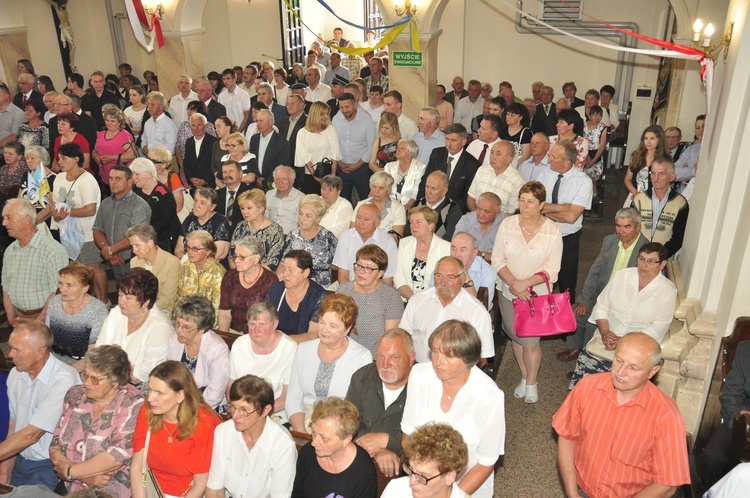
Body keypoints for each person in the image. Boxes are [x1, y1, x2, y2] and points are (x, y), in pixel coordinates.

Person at [552, 333, 691, 498]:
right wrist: (572, 493)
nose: (621, 372)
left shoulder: (667, 416)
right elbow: (567, 438)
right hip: (581, 490)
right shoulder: (587, 387)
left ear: (652, 371)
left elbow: (667, 484)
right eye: (619, 360)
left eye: (634, 367)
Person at [401, 320, 505, 498]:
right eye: (435, 351)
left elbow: (486, 461)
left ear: (468, 360)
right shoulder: (419, 376)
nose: (438, 362)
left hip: (466, 488)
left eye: (449, 356)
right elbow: (408, 435)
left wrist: (453, 495)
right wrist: (425, 479)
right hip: (422, 482)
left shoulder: (490, 396)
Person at [492, 181, 563, 404]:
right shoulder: (508, 224)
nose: (525, 205)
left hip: (535, 296)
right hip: (507, 290)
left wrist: (524, 285)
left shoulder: (552, 230)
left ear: (542, 204)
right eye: (522, 200)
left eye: (530, 202)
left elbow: (553, 269)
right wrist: (514, 284)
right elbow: (497, 259)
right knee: (516, 336)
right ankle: (524, 376)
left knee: (531, 342)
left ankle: (532, 383)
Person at [569, 242, 677, 387]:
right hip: (605, 340)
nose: (644, 265)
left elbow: (658, 328)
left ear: (662, 264)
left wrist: (624, 341)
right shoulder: (622, 276)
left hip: (636, 348)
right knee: (586, 389)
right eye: (641, 259)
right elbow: (601, 306)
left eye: (651, 261)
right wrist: (605, 332)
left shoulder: (667, 291)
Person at [49, 345, 143, 497]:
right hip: (69, 485)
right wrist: (77, 475)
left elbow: (116, 457)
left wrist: (69, 471)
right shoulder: (75, 394)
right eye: (85, 375)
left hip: (109, 490)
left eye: (95, 379)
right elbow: (55, 443)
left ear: (116, 382)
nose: (86, 383)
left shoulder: (133, 403)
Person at [0, 323, 79, 489]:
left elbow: (32, 435)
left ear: (40, 352)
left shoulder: (65, 380)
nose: (10, 354)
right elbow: (14, 423)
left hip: (49, 465)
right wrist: (7, 462)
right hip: (19, 457)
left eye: (17, 349)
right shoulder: (16, 374)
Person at [130, 361, 222, 498]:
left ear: (180, 396)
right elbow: (137, 468)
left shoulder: (204, 424)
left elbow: (200, 485)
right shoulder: (147, 412)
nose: (150, 398)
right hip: (151, 489)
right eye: (150, 389)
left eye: (159, 393)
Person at [286, 294, 373, 433]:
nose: (324, 329)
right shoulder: (303, 349)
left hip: (338, 426)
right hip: (302, 422)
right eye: (322, 322)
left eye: (332, 326)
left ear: (347, 329)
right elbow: (293, 398)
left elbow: (356, 407)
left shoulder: (361, 357)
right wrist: (300, 431)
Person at [206, 375, 297, 498]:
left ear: (265, 410)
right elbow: (215, 490)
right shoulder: (223, 432)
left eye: (244, 410)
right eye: (233, 407)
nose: (235, 416)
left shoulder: (282, 444)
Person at [346, 329, 415, 477]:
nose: (385, 364)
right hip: (360, 462)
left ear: (411, 358)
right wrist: (377, 449)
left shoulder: (425, 385)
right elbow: (347, 426)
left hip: (409, 472)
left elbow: (428, 440)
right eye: (380, 356)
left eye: (394, 357)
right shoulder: (362, 378)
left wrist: (389, 441)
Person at [399, 256, 494, 364]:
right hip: (416, 368)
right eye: (439, 276)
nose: (443, 282)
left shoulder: (478, 312)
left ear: (463, 279)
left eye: (450, 277)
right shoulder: (417, 301)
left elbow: (482, 359)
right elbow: (402, 338)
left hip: (456, 375)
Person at [538, 141, 593, 307]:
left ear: (567, 163)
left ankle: (566, 326)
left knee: (566, 284)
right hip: (542, 235)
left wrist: (544, 209)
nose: (549, 159)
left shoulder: (583, 182)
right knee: (540, 280)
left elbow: (571, 217)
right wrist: (565, 206)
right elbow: (534, 205)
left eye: (554, 156)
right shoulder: (544, 175)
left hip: (566, 239)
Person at [95, 269, 173, 385]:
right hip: (107, 379)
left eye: (128, 298)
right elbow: (99, 350)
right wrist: (128, 369)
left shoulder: (160, 327)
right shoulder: (116, 312)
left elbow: (147, 372)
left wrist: (114, 372)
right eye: (120, 295)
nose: (121, 301)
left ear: (146, 302)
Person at [2, 199, 68, 327]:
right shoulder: (10, 250)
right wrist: (11, 317)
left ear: (27, 219)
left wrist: (39, 320)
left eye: (9, 218)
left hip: (46, 318)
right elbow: (6, 288)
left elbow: (58, 292)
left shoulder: (52, 250)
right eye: (4, 218)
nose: (4, 223)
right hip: (18, 317)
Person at [292, 397, 377, 498]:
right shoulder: (308, 453)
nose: (314, 442)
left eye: (324, 438)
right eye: (314, 432)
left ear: (346, 439)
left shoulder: (363, 471)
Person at [90, 166, 152, 299]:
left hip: (134, 261)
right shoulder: (105, 203)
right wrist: (108, 250)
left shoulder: (139, 205)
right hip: (115, 261)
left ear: (130, 182)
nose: (112, 182)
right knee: (123, 295)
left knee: (138, 296)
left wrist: (111, 250)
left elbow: (136, 236)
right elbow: (97, 229)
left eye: (118, 179)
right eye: (111, 178)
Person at [697, 340, 750, 491]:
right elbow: (731, 394)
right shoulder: (746, 348)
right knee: (711, 458)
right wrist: (740, 419)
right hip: (741, 415)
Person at [337, 244, 404, 354]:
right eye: (359, 265)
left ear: (380, 274)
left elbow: (390, 338)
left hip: (374, 357)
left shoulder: (391, 296)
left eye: (368, 268)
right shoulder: (343, 290)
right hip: (344, 353)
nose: (361, 271)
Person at [168, 296, 230, 409]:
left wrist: (187, 409)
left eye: (186, 327)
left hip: (205, 405)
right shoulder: (174, 339)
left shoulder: (218, 349)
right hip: (177, 401)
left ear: (202, 329)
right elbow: (170, 377)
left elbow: (214, 395)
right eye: (177, 323)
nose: (179, 330)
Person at [41, 262, 109, 366]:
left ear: (84, 288)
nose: (62, 289)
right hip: (54, 361)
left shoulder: (97, 311)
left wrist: (66, 373)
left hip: (84, 366)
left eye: (69, 285)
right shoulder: (54, 303)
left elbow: (92, 356)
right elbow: (47, 339)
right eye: (61, 283)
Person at [380, 422, 469, 498]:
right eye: (411, 471)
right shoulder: (395, 491)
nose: (411, 482)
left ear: (450, 476)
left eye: (422, 476)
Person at [51, 142, 101, 261]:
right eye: (59, 158)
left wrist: (66, 212)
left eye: (64, 158)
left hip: (86, 232)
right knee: (74, 267)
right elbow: (55, 203)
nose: (59, 162)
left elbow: (90, 210)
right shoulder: (59, 178)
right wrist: (57, 215)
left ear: (76, 159)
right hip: (66, 231)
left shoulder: (86, 180)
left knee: (92, 267)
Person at [265, 250, 329, 342]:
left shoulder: (319, 297)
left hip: (303, 347)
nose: (285, 274)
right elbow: (265, 321)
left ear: (305, 273)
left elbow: (313, 334)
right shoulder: (276, 290)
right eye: (284, 269)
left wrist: (281, 342)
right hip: (274, 344)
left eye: (291, 270)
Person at [633, 156, 689, 257]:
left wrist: (660, 255)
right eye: (653, 173)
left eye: (661, 174)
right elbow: (631, 228)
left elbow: (679, 237)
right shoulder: (638, 200)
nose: (656, 178)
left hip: (664, 259)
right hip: (638, 256)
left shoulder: (680, 203)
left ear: (672, 177)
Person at [219, 238, 277, 333]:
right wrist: (224, 337)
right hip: (232, 331)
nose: (236, 261)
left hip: (258, 333)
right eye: (235, 256)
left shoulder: (270, 280)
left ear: (256, 258)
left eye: (242, 257)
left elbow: (269, 319)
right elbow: (225, 312)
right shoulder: (230, 276)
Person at [418, 123, 479, 212]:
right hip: (429, 205)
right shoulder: (437, 154)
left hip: (453, 210)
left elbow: (467, 195)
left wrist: (449, 209)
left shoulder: (472, 164)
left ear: (463, 142)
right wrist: (424, 202)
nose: (449, 144)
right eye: (447, 139)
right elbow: (425, 180)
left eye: (453, 140)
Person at [280, 194, 338, 287]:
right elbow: (283, 263)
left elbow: (339, 265)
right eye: (300, 213)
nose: (302, 219)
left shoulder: (328, 237)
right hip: (295, 283)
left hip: (320, 286)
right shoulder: (293, 235)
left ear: (318, 219)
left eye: (308, 216)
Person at [333, 203, 398, 284]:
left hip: (375, 292)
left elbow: (387, 279)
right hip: (349, 288)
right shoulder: (345, 236)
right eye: (358, 217)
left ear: (377, 223)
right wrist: (350, 295)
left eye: (366, 219)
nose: (361, 223)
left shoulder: (388, 242)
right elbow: (343, 275)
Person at [395, 206, 451, 301]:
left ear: (431, 226)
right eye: (411, 222)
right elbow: (398, 277)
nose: (413, 226)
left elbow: (444, 282)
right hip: (405, 300)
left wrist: (424, 302)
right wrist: (414, 299)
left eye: (418, 222)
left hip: (433, 301)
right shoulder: (404, 243)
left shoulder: (446, 248)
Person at [332, 92, 377, 202]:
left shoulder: (366, 121)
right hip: (341, 168)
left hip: (362, 169)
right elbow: (333, 143)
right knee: (342, 201)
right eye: (341, 107)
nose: (344, 110)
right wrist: (339, 162)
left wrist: (357, 165)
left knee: (366, 200)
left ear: (355, 104)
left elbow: (372, 145)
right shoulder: (336, 120)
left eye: (347, 107)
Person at [127, 224, 181, 313]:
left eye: (137, 245)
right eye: (132, 246)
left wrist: (142, 310)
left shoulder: (172, 263)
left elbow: (167, 299)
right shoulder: (134, 262)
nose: (134, 251)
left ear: (150, 243)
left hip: (162, 311)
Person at [130, 158, 179, 252]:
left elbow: (165, 221)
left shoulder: (163, 193)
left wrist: (144, 233)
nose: (134, 178)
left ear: (149, 174)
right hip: (140, 238)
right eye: (133, 174)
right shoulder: (135, 190)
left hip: (160, 241)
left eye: (137, 174)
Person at [230, 188, 284, 270]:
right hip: (239, 272)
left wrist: (250, 273)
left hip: (263, 275)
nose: (245, 212)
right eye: (242, 208)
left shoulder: (275, 230)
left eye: (249, 208)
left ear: (261, 208)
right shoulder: (241, 226)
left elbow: (272, 263)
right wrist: (238, 273)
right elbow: (231, 256)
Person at [467, 140, 525, 215]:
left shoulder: (517, 180)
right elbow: (471, 199)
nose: (493, 157)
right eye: (492, 152)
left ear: (509, 159)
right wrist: (479, 216)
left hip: (500, 224)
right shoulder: (482, 170)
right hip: (476, 217)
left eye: (498, 154)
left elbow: (511, 213)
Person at [295, 100, 340, 194]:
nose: (326, 117)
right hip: (310, 176)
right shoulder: (302, 133)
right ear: (315, 114)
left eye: (327, 114)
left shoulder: (330, 129)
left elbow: (334, 154)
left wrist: (332, 177)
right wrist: (316, 176)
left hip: (329, 173)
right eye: (323, 114)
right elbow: (304, 156)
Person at [174, 187, 230, 261]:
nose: (197, 205)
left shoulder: (220, 221)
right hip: (187, 264)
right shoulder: (189, 219)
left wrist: (194, 264)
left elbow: (218, 254)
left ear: (212, 207)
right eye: (195, 201)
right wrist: (185, 262)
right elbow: (178, 250)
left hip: (210, 267)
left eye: (202, 203)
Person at [352, 171, 407, 240]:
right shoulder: (361, 204)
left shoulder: (398, 208)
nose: (376, 191)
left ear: (389, 191)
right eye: (374, 187)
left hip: (385, 248)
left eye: (381, 188)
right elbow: (352, 231)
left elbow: (396, 239)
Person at [410, 171, 463, 242]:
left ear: (444, 191)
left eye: (433, 188)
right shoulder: (416, 205)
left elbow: (449, 239)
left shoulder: (453, 209)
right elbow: (407, 234)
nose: (428, 192)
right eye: (427, 187)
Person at [92, 107, 135, 191]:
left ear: (119, 122)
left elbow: (132, 155)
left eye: (112, 121)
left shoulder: (124, 136)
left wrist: (111, 158)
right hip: (105, 174)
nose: (109, 123)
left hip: (121, 176)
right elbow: (94, 150)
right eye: (107, 120)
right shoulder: (101, 134)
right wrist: (96, 157)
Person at [623, 124, 668, 205]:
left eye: (652, 138)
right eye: (646, 138)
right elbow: (627, 179)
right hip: (635, 196)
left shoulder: (665, 160)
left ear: (660, 140)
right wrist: (635, 193)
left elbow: (668, 184)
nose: (648, 141)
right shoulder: (636, 156)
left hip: (655, 199)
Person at [450, 232, 496, 306]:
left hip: (472, 314)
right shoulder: (443, 265)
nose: (456, 254)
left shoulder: (487, 272)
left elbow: (481, 307)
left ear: (474, 253)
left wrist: (463, 271)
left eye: (462, 250)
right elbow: (433, 294)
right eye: (453, 249)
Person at [454, 191, 504, 259]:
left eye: (487, 211)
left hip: (494, 266)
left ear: (497, 213)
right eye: (479, 209)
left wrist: (480, 254)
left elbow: (505, 256)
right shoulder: (466, 221)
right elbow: (456, 249)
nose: (481, 214)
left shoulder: (506, 225)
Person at [19, 146, 56, 231]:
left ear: (42, 159)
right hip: (25, 219)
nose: (29, 161)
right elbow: (19, 198)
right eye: (27, 158)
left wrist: (32, 222)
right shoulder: (26, 175)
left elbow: (50, 207)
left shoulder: (52, 178)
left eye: (32, 158)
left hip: (44, 223)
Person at [384, 138, 426, 210]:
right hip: (389, 204)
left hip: (410, 206)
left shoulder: (420, 167)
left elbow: (416, 191)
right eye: (397, 148)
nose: (397, 150)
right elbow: (384, 187)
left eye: (402, 148)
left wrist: (409, 205)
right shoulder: (389, 166)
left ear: (411, 153)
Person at [266, 165, 305, 235]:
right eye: (277, 179)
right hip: (270, 236)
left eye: (284, 179)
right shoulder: (269, 195)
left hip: (290, 237)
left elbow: (301, 225)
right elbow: (264, 218)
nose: (281, 182)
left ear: (292, 181)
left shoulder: (301, 198)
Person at [140, 92, 177, 157]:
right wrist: (143, 147)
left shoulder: (169, 124)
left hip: (165, 161)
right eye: (148, 104)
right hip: (150, 159)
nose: (149, 107)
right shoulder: (148, 123)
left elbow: (170, 148)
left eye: (152, 105)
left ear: (161, 107)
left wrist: (155, 153)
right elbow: (143, 139)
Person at [218, 68, 251, 133]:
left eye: (228, 78)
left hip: (240, 131)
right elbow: (220, 116)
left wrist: (238, 132)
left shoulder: (243, 95)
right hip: (225, 132)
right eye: (224, 79)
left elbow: (246, 117)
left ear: (235, 78)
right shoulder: (221, 96)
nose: (225, 82)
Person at [209, 116, 237, 185]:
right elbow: (213, 166)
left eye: (219, 126)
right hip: (219, 182)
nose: (216, 130)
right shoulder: (216, 144)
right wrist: (219, 178)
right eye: (215, 127)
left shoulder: (237, 143)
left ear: (228, 127)